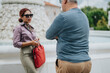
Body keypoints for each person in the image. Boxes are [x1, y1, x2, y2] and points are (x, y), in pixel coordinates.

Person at [46, 0, 92, 73]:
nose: (61, 5)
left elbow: (48, 35)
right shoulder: (84, 16)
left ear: (65, 1)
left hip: (69, 63)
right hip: (86, 63)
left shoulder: (63, 17)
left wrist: (60, 36)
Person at [13, 8, 39, 73]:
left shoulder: (31, 27)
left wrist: (36, 41)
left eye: (31, 15)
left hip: (34, 54)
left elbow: (31, 40)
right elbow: (15, 43)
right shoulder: (18, 28)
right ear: (21, 17)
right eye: (27, 16)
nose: (29, 17)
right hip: (26, 55)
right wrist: (31, 42)